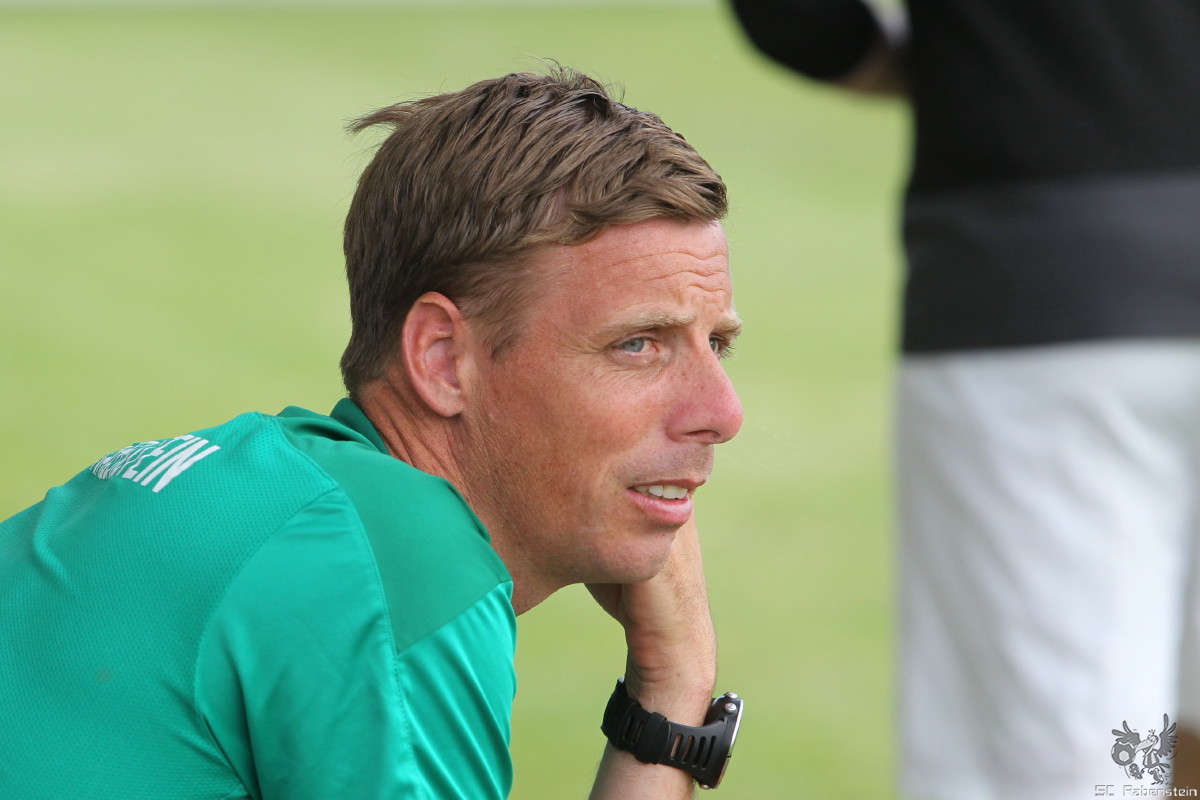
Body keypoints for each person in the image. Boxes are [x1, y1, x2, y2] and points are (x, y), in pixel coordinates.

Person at [0, 68, 746, 799]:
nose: (722, 412)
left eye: (716, 343)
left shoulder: (262, 493)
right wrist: (674, 686)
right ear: (443, 359)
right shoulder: (387, 558)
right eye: (637, 344)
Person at [729, 1, 1200, 798]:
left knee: (1057, 774)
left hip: (1039, 287)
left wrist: (958, 69)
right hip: (1044, 288)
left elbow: (796, 15)